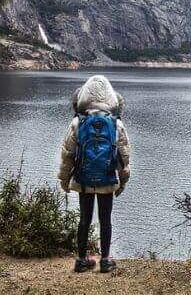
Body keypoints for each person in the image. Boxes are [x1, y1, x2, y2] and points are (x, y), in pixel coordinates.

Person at [58, 75, 131, 274]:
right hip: (107, 178)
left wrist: (64, 180)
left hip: (84, 178)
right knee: (105, 219)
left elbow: (68, 154)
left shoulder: (78, 122)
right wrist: (122, 181)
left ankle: (82, 260)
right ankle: (105, 260)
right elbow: (124, 156)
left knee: (84, 218)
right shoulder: (116, 124)